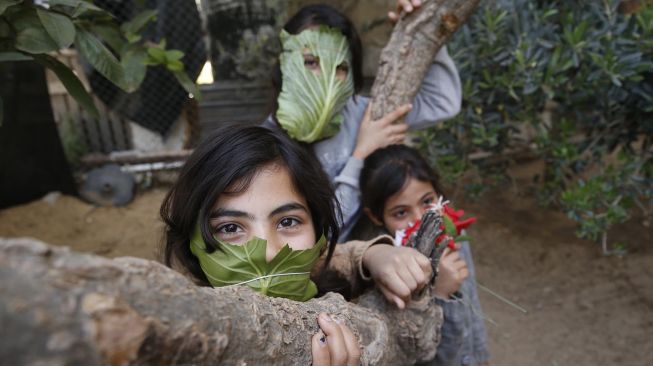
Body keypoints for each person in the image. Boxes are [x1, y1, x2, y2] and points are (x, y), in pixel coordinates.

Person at [160, 126, 433, 365]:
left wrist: (377, 254)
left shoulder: (315, 268)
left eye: (288, 221)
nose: (268, 252)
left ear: (317, 231)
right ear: (191, 242)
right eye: (230, 228)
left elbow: (344, 256)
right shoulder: (187, 339)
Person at [263, 1, 462, 241]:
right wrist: (361, 154)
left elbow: (441, 102)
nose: (325, 78)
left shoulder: (363, 113)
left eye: (340, 67)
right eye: (311, 62)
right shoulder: (267, 145)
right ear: (284, 65)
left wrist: (421, 33)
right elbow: (318, 238)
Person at [358, 145, 490, 366]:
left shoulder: (453, 234)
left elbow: (472, 303)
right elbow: (421, 355)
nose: (421, 220)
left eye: (428, 201)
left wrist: (480, 357)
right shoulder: (386, 270)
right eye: (401, 212)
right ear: (375, 216)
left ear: (438, 194)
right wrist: (440, 295)